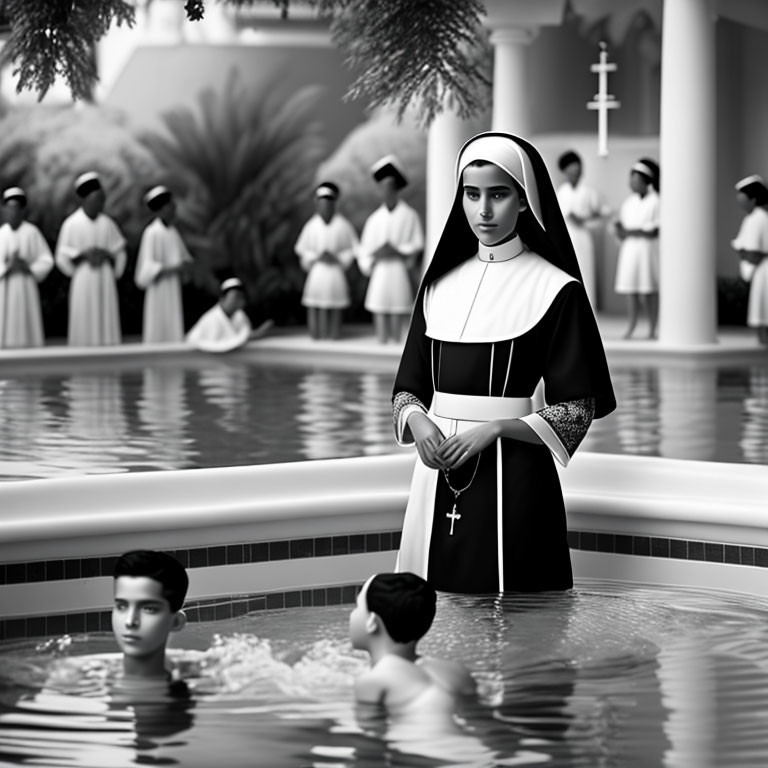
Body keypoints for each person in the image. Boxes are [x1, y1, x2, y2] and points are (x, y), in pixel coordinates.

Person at [392, 132, 616, 594]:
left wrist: (495, 429)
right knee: (429, 609)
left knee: (516, 615)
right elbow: (408, 387)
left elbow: (576, 407)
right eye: (471, 195)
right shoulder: (438, 286)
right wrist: (417, 421)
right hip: (434, 472)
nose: (483, 211)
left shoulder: (555, 288)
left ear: (524, 200)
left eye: (498, 194)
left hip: (515, 469)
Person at [350, 572, 475, 716]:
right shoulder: (458, 672)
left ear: (372, 622)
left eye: (357, 607)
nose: (352, 614)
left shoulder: (373, 680)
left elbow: (370, 736)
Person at [357, 155, 424, 344]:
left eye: (390, 187)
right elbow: (364, 250)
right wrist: (374, 255)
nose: (386, 191)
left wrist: (399, 250)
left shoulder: (409, 215)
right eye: (383, 187)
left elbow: (417, 242)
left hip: (397, 269)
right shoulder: (374, 219)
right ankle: (381, 343)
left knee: (397, 307)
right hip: (380, 270)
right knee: (379, 307)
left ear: (396, 189)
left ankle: (396, 345)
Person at [54, 172, 127, 346]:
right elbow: (62, 256)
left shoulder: (108, 223)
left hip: (105, 278)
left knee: (105, 320)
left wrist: (107, 256)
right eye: (97, 199)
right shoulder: (71, 224)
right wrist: (82, 257)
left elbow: (120, 251)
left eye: (102, 199)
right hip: (84, 279)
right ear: (85, 200)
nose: (100, 203)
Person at [295, 181, 359, 340]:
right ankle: (316, 336)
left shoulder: (343, 225)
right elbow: (302, 249)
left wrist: (337, 258)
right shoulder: (311, 226)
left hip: (335, 272)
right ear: (317, 205)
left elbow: (353, 248)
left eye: (329, 204)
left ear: (334, 205)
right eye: (322, 204)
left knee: (335, 305)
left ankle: (333, 335)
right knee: (315, 304)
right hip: (317, 273)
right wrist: (316, 256)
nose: (325, 208)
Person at [112, 549, 188, 680]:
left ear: (176, 622)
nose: (130, 622)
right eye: (122, 606)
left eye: (148, 609)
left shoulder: (202, 680)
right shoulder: (80, 677)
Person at [135, 185, 193, 343]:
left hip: (173, 287)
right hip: (158, 290)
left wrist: (185, 269)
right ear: (161, 209)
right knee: (158, 326)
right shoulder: (152, 233)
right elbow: (147, 268)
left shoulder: (172, 232)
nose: (174, 209)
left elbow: (184, 257)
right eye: (170, 206)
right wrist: (175, 268)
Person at [0, 186, 54, 348]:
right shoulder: (1, 234)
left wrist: (28, 267)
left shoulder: (32, 232)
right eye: (9, 209)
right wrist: (7, 266)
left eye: (16, 210)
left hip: (26, 287)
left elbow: (46, 260)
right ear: (4, 211)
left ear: (22, 211)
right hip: (5, 289)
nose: (12, 213)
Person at [613, 158, 660, 340]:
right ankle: (631, 326)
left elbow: (654, 231)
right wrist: (621, 230)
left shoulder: (656, 201)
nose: (630, 183)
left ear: (644, 181)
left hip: (647, 252)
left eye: (634, 180)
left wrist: (631, 231)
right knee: (631, 289)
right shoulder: (628, 203)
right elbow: (624, 231)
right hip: (630, 251)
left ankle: (652, 328)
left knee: (649, 289)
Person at [555, 150, 608, 309]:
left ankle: (588, 308)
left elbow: (600, 214)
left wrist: (584, 219)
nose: (574, 174)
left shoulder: (589, 192)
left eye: (577, 170)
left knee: (585, 271)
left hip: (583, 236)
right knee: (566, 272)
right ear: (564, 171)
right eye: (570, 170)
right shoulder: (561, 192)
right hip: (566, 236)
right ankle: (568, 308)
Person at [731, 174, 768, 345]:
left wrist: (744, 254)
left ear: (753, 199)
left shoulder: (758, 219)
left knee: (764, 315)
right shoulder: (754, 218)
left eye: (742, 196)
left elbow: (754, 253)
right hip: (760, 271)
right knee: (762, 315)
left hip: (763, 271)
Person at [186, 277, 267, 353]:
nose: (238, 301)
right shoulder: (211, 319)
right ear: (222, 299)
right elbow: (214, 346)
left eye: (240, 297)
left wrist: (257, 333)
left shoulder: (240, 316)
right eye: (234, 298)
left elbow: (242, 337)